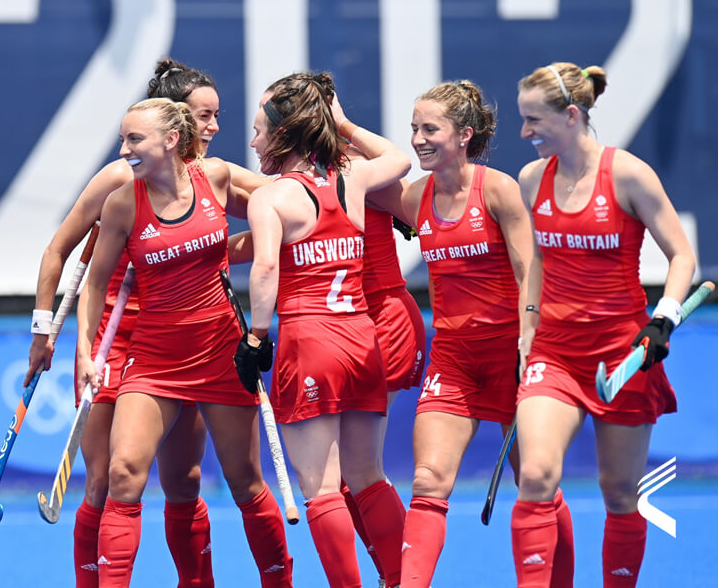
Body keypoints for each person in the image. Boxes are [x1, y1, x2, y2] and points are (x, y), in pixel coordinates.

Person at [25, 59, 233, 587]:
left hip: (183, 340)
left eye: (215, 116)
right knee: (105, 478)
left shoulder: (211, 175)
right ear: (175, 122)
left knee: (185, 476)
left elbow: (288, 199)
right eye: (204, 116)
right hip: (116, 340)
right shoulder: (122, 178)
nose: (212, 127)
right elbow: (57, 251)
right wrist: (43, 330)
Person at [76, 98, 292, 587]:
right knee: (124, 474)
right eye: (122, 138)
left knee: (244, 482)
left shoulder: (214, 177)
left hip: (221, 349)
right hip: (153, 357)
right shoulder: (123, 203)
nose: (124, 149)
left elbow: (286, 203)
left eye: (134, 139)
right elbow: (95, 283)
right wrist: (88, 351)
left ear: (171, 140)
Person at [511, 63, 694, 588]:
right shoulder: (531, 181)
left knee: (620, 494)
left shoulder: (629, 175)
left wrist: (665, 316)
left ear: (571, 116)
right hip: (555, 354)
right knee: (537, 475)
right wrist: (528, 329)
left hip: (623, 351)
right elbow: (539, 262)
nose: (525, 134)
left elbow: (682, 256)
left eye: (533, 120)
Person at [370, 80, 546, 587]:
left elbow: (528, 270)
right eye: (413, 129)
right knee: (427, 480)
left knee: (534, 482)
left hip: (516, 355)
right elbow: (351, 181)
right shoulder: (414, 195)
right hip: (453, 360)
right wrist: (334, 126)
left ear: (464, 134)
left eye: (430, 129)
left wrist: (531, 343)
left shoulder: (497, 189)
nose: (418, 139)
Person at [242, 72, 409, 588]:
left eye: (258, 132)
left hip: (308, 341)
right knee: (369, 478)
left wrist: (256, 337)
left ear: (283, 135)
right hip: (362, 337)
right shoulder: (350, 176)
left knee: (321, 488)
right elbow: (400, 159)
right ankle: (405, 578)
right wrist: (345, 125)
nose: (252, 143)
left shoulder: (271, 198)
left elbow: (266, 269)